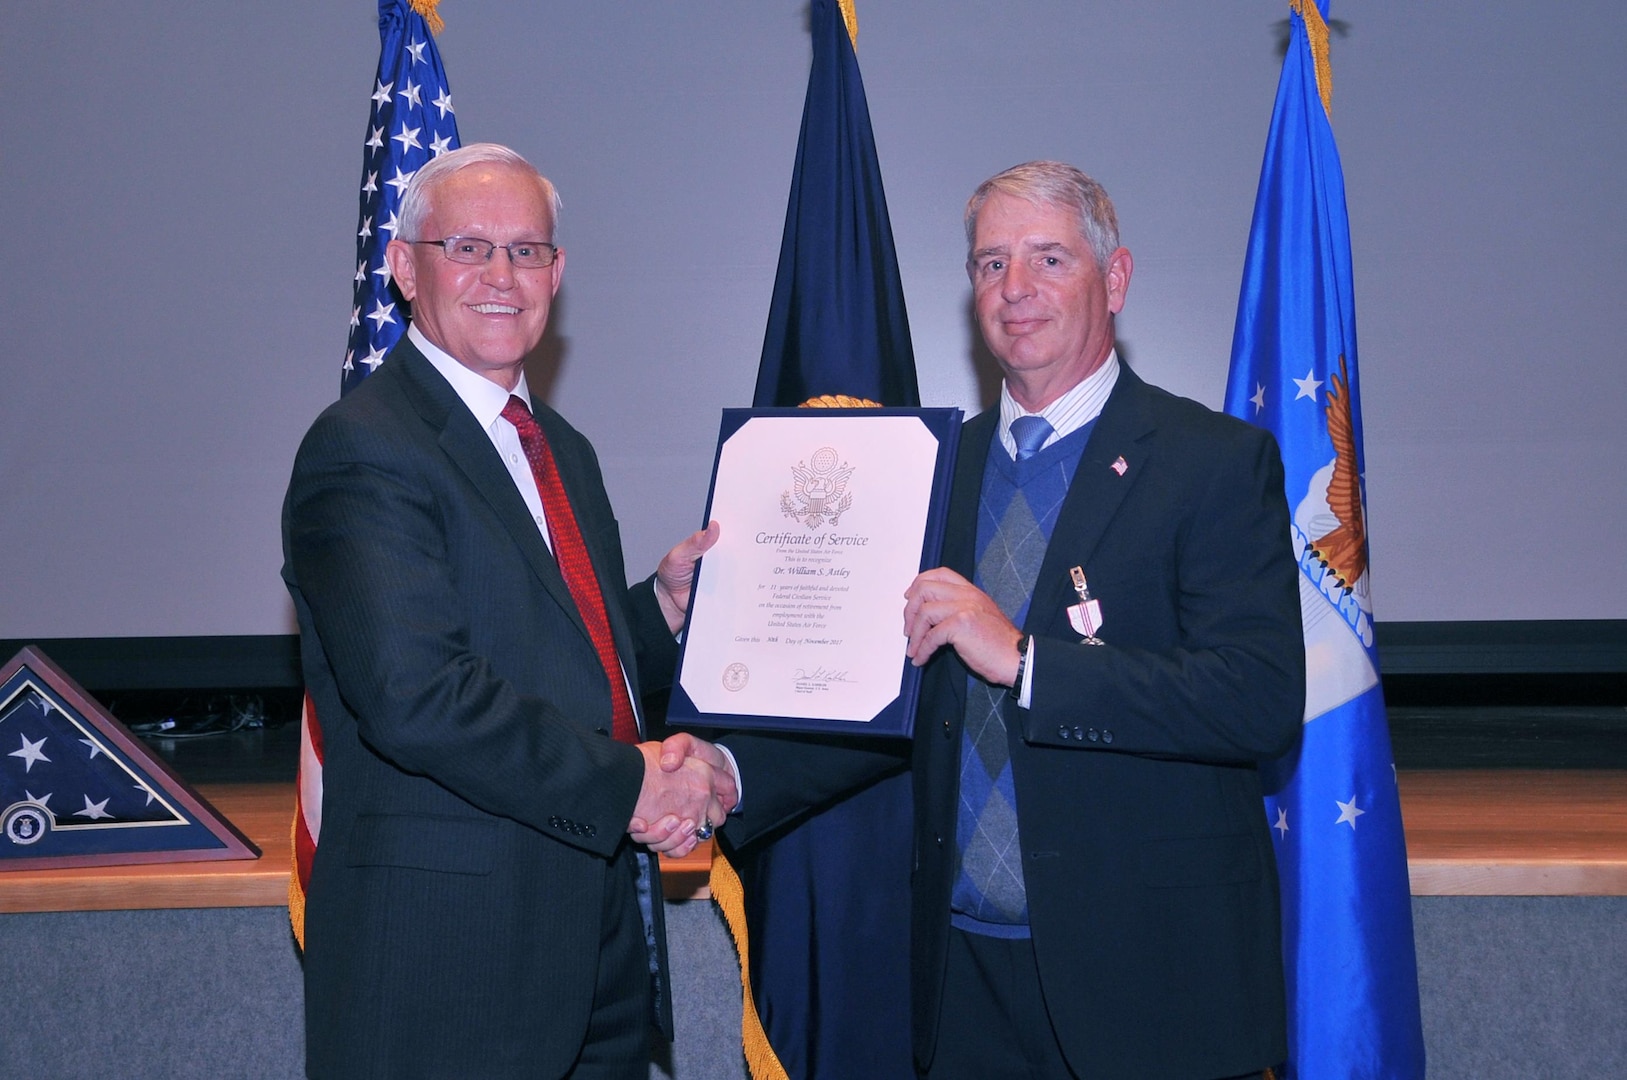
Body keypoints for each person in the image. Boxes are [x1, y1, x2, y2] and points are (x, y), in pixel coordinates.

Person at [674, 161, 1306, 1079]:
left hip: (1151, 989)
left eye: (1048, 259)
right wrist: (730, 771)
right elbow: (882, 695)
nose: (1016, 290)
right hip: (960, 980)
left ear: (1114, 278)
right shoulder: (932, 469)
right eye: (990, 264)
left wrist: (1024, 659)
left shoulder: (1212, 462)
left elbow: (1255, 700)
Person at [282, 143, 731, 1080]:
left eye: (527, 252)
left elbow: (563, 664)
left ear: (557, 274)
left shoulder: (559, 445)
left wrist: (660, 614)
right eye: (468, 247)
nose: (501, 277)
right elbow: (418, 696)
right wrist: (631, 786)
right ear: (406, 268)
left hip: (594, 944)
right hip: (448, 967)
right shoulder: (362, 449)